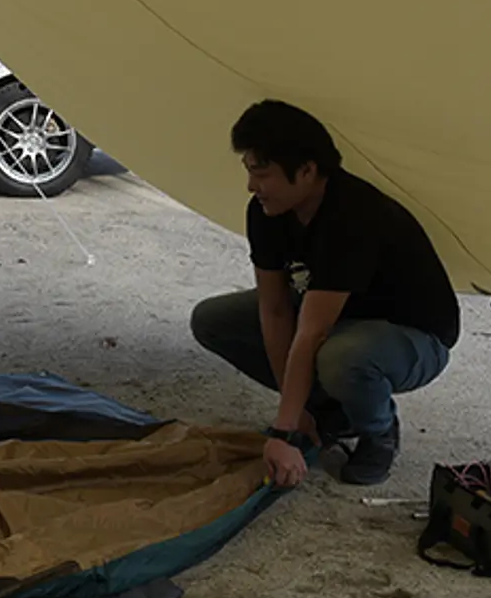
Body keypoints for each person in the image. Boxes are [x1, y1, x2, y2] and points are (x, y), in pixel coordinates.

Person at [190, 102, 458, 487]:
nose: (251, 186)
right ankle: (328, 413)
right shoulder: (266, 211)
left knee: (342, 357)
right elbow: (275, 309)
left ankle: (379, 431)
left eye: (261, 174)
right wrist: (293, 414)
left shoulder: (354, 216)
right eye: (248, 171)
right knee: (213, 320)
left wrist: (282, 433)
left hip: (414, 337)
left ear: (307, 171)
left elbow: (313, 331)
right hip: (340, 318)